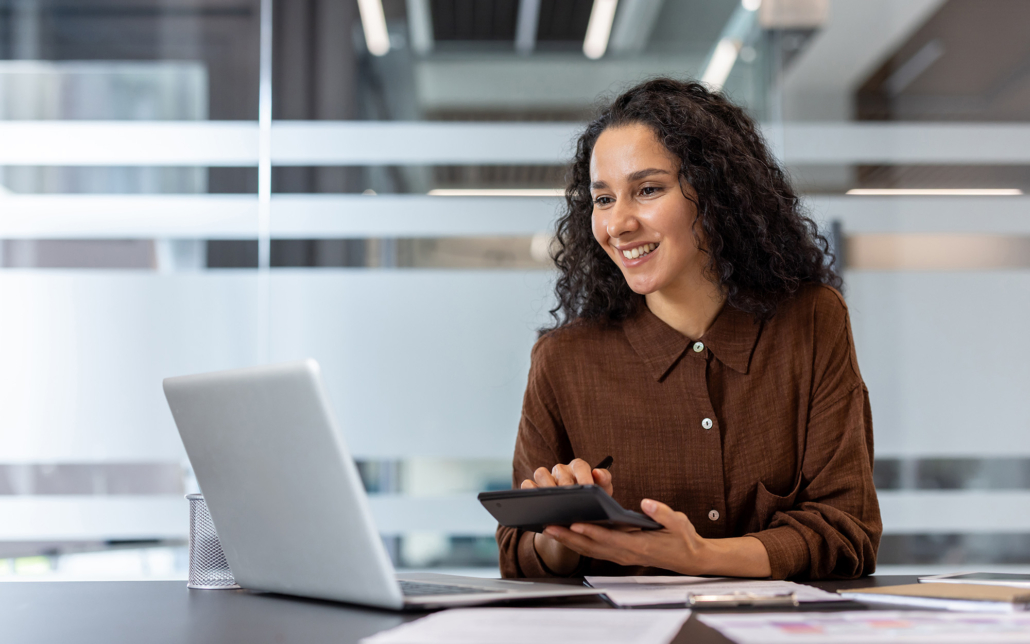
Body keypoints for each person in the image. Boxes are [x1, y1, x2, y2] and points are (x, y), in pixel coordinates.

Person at [496, 78, 881, 581]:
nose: (618, 224)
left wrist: (695, 557)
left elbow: (846, 531)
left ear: (716, 192)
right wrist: (559, 535)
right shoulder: (563, 360)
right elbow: (516, 553)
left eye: (648, 190)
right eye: (604, 199)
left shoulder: (811, 322)